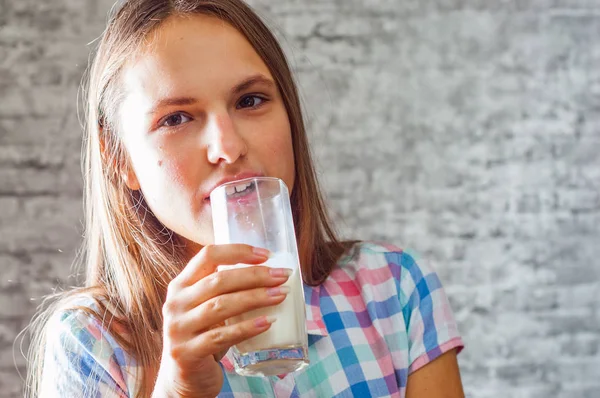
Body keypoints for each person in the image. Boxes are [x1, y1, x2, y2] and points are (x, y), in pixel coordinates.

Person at [26, 0, 465, 397]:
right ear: (119, 158)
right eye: (176, 118)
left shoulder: (395, 289)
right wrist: (177, 390)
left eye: (250, 100)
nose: (228, 146)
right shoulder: (92, 345)